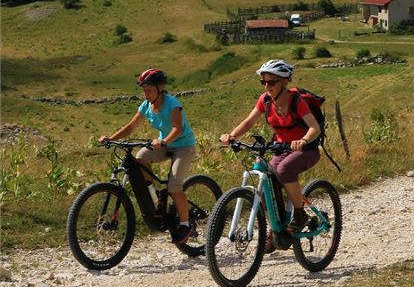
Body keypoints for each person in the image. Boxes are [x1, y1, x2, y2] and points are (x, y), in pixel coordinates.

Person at [219, 59, 321, 252]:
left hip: (306, 150)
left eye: (271, 82)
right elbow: (249, 121)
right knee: (263, 174)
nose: (267, 86)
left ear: (284, 81)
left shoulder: (296, 100)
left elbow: (314, 127)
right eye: (263, 82)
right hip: (280, 148)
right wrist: (231, 136)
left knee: (284, 169)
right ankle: (276, 228)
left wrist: (303, 141)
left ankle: (300, 214)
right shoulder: (265, 100)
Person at [99, 68, 196, 244]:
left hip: (183, 146)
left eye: (149, 90)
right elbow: (130, 127)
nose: (146, 94)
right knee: (141, 156)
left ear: (160, 88)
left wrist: (164, 141)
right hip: (164, 144)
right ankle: (157, 197)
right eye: (144, 90)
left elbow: (178, 128)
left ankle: (185, 223)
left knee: (174, 186)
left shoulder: (172, 103)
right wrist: (110, 139)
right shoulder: (146, 106)